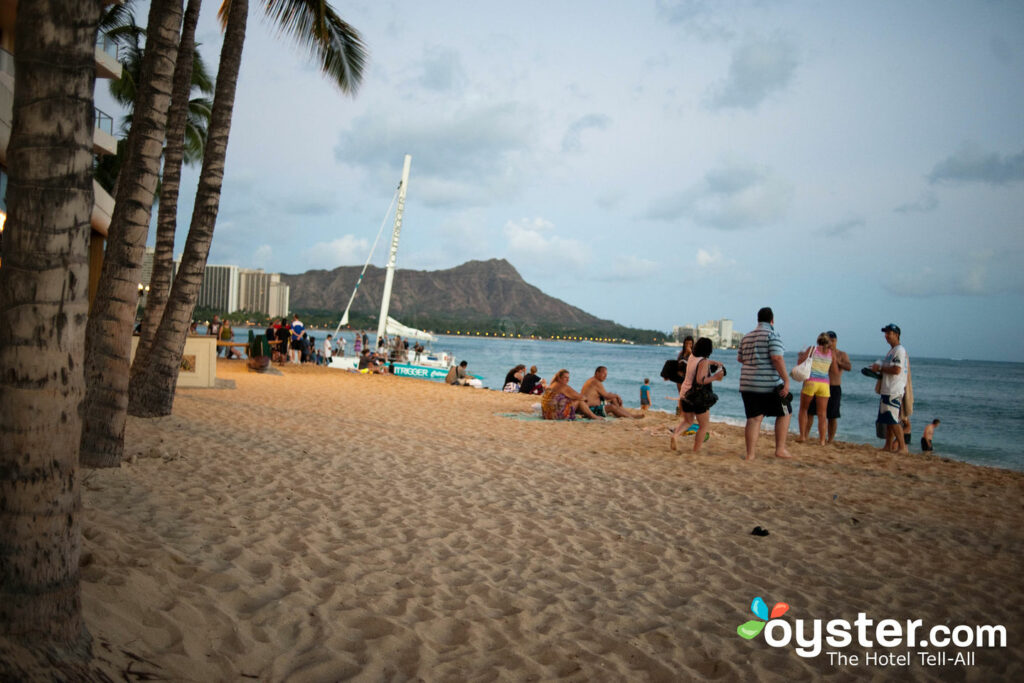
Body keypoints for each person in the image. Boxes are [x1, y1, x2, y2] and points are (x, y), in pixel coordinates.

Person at [737, 307, 792, 460]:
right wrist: (786, 380)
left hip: (747, 383)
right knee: (785, 411)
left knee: (754, 419)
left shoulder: (746, 337)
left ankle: (750, 454)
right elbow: (777, 358)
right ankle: (780, 449)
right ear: (772, 320)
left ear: (758, 319)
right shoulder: (772, 335)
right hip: (768, 384)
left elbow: (740, 359)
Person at [670, 337, 726, 452]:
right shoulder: (703, 362)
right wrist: (715, 377)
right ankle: (696, 450)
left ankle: (675, 435)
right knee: (704, 425)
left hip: (685, 393)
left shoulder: (692, 357)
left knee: (688, 421)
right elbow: (701, 380)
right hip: (697, 397)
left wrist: (714, 362)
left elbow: (701, 363)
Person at [806, 331, 851, 443]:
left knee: (832, 415)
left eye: (833, 341)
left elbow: (848, 367)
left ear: (836, 341)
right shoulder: (821, 351)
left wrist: (837, 362)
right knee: (811, 412)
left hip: (833, 386)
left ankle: (830, 439)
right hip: (819, 384)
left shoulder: (841, 354)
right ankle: (805, 435)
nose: (830, 343)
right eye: (829, 340)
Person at [871, 323, 909, 454]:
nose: (886, 336)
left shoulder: (899, 350)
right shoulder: (892, 351)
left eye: (889, 333)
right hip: (888, 388)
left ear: (896, 335)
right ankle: (888, 445)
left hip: (894, 389)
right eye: (885, 333)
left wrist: (880, 368)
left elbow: (896, 370)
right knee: (887, 419)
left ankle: (902, 446)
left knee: (893, 419)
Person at [795, 333, 834, 446]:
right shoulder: (831, 353)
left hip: (811, 381)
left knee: (803, 409)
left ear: (818, 340)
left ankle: (802, 436)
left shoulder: (812, 349)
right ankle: (822, 440)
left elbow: (800, 362)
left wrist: (801, 355)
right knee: (822, 414)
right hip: (824, 384)